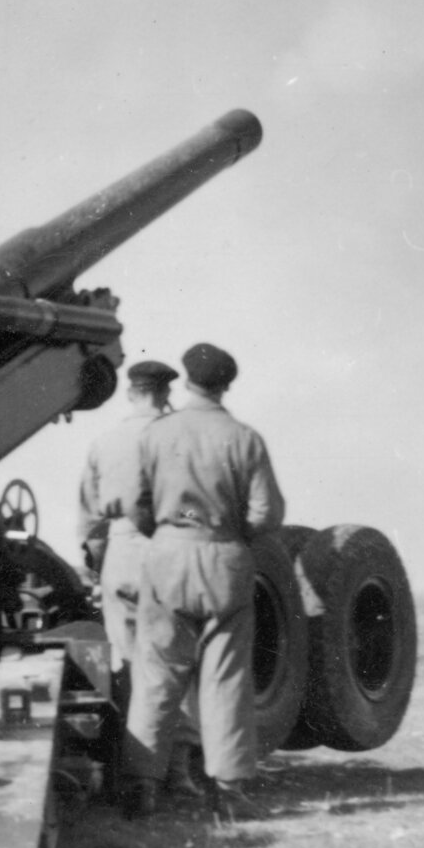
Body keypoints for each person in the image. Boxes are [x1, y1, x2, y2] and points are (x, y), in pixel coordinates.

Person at [122, 342, 284, 820]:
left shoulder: (156, 433)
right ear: (226, 385)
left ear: (188, 380)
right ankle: (229, 790)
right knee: (226, 678)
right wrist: (228, 533)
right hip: (224, 559)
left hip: (167, 556)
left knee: (156, 673)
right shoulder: (245, 438)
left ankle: (143, 787)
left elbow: (135, 504)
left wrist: (169, 531)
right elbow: (267, 512)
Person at [77, 359, 204, 798]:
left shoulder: (104, 441)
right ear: (166, 394)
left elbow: (90, 518)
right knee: (176, 662)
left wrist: (99, 565)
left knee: (129, 664)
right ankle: (178, 772)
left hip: (120, 555)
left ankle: (132, 775)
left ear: (130, 393)